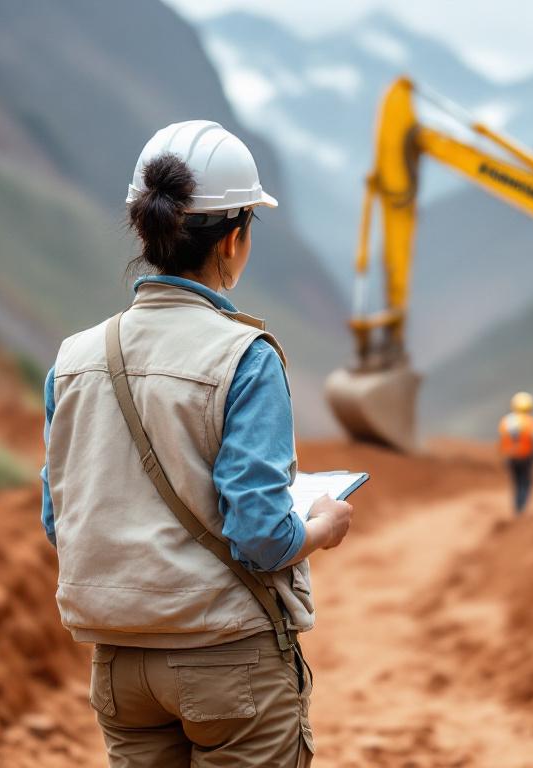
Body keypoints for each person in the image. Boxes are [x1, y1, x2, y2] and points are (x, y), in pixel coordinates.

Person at [39, 120, 352, 767]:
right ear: (234, 238)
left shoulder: (72, 360)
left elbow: (59, 519)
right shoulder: (246, 357)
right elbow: (262, 535)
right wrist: (321, 525)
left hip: (119, 669)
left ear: (146, 229)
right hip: (228, 664)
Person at [498, 391, 533, 515]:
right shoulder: (530, 421)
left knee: (516, 482)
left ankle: (517, 507)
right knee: (525, 482)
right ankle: (521, 509)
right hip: (526, 457)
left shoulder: (506, 421)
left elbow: (502, 439)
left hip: (511, 457)